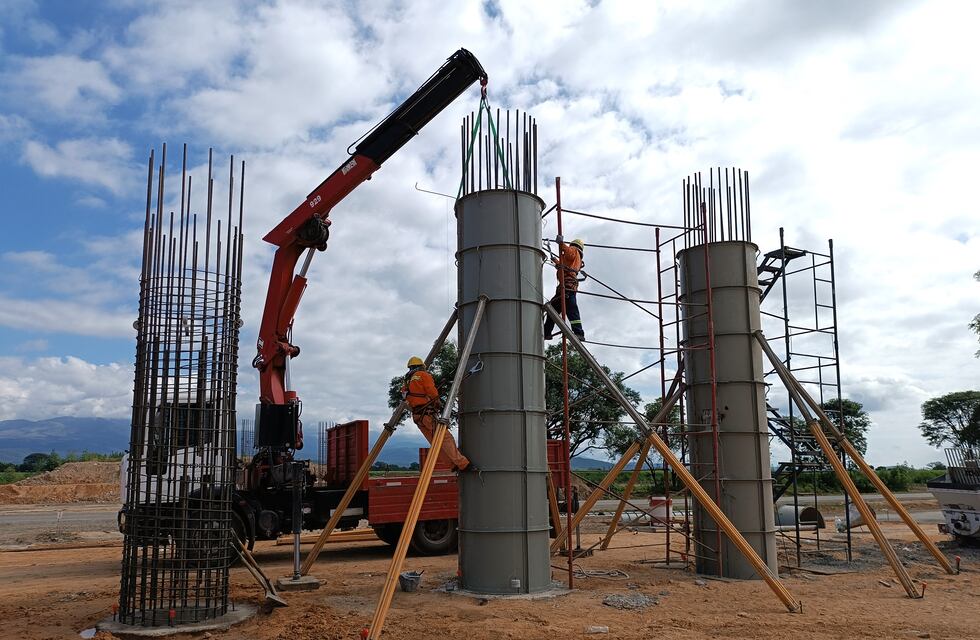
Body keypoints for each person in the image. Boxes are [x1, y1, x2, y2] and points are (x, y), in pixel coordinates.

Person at [401, 356, 470, 472]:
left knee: (435, 442)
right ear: (422, 366)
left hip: (418, 417)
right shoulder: (423, 375)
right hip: (427, 414)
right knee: (445, 438)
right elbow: (431, 391)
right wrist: (437, 402)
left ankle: (451, 465)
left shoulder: (406, 383)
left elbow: (406, 401)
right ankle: (463, 464)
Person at [543, 237, 585, 340]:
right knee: (553, 309)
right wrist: (556, 261)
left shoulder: (574, 251)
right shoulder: (574, 259)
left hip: (567, 287)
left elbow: (569, 252)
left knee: (571, 309)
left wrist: (561, 243)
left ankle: (579, 332)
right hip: (565, 287)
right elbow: (563, 267)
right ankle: (546, 332)